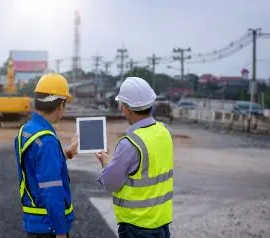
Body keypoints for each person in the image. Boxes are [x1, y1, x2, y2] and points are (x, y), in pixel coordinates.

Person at [95, 77, 174, 238]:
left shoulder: (130, 144)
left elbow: (111, 184)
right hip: (162, 224)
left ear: (125, 108)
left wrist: (105, 162)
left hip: (137, 228)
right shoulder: (165, 132)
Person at [14, 73, 79, 238]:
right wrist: (60, 231)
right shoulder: (47, 139)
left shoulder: (27, 130)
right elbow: (51, 188)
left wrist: (66, 153)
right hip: (48, 227)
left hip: (34, 220)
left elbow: (36, 165)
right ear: (60, 105)